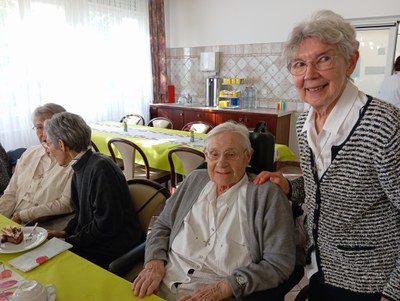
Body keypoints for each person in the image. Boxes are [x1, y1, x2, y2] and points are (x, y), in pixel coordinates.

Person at [254, 10, 400, 301]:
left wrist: (394, 291)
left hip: (371, 284)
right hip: (320, 266)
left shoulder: (384, 126)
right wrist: (289, 187)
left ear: (351, 62)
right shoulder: (304, 121)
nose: (310, 75)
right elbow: (319, 187)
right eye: (299, 64)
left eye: (324, 59)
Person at [132, 121, 296, 300]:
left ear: (248, 157)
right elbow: (163, 225)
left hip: (219, 293)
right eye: (214, 154)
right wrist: (154, 262)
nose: (221, 163)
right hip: (162, 282)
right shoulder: (194, 180)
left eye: (231, 154)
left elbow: (279, 263)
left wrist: (226, 287)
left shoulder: (266, 194)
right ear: (206, 156)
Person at [44, 112, 143, 269]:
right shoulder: (81, 166)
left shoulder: (101, 168)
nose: (47, 150)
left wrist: (70, 242)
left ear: (62, 145)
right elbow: (81, 214)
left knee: (54, 264)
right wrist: (65, 233)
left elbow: (107, 225)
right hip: (97, 240)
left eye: (48, 144)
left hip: (116, 245)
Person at [0, 103, 74, 229]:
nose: (44, 134)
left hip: (47, 228)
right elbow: (11, 192)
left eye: (49, 127)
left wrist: (22, 216)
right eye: (39, 127)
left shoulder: (74, 159)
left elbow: (66, 204)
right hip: (15, 223)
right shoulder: (29, 153)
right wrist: (3, 218)